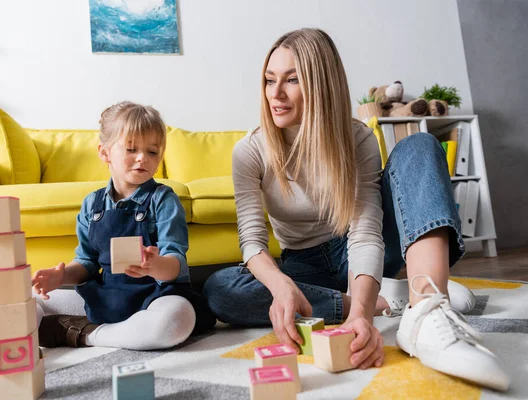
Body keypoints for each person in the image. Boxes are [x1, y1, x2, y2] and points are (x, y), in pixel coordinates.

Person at [203, 28, 509, 391]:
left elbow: (365, 232)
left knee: (420, 145)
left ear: (320, 84)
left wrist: (363, 319)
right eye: (270, 80)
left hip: (359, 250)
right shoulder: (250, 151)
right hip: (302, 265)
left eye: (292, 80)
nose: (276, 94)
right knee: (220, 289)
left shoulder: (358, 139)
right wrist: (284, 286)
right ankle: (387, 296)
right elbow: (252, 240)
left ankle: (427, 309)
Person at [32, 101, 215, 350]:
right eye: (131, 149)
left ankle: (87, 335)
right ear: (105, 153)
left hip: (155, 297)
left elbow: (175, 261)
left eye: (152, 152)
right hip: (109, 295)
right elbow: (87, 262)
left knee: (177, 318)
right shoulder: (92, 204)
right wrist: (61, 275)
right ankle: (118, 332)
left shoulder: (163, 199)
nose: (142, 158)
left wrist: (155, 265)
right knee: (27, 299)